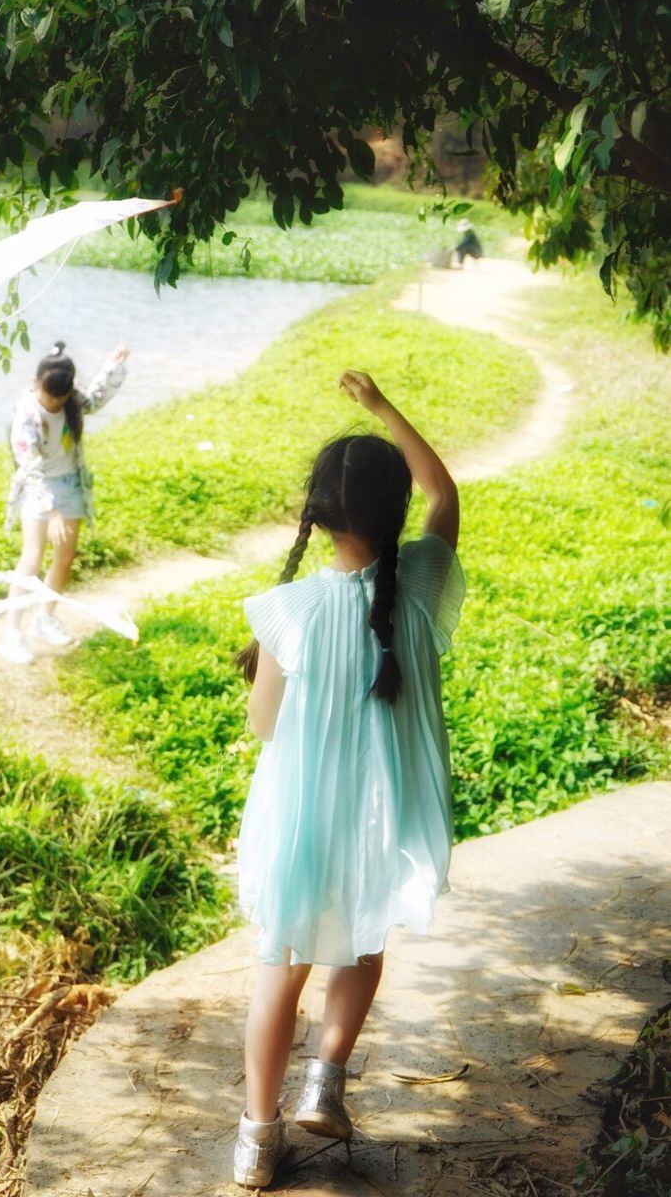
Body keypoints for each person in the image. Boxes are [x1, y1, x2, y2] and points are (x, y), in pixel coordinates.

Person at [231, 370, 465, 1189]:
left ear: (315, 516)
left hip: (298, 817)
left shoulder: (287, 610)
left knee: (278, 966)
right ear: (392, 515)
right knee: (362, 939)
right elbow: (442, 492)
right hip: (379, 813)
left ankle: (255, 1144)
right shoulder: (422, 588)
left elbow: (264, 726)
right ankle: (326, 1079)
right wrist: (379, 408)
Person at [0, 341, 128, 665]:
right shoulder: (27, 414)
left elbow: (95, 398)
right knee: (32, 558)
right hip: (38, 488)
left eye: (59, 397)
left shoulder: (71, 399)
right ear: (36, 384)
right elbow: (28, 469)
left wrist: (113, 365)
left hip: (70, 484)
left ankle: (45, 617)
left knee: (66, 557)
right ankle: (12, 634)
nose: (54, 402)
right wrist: (51, 511)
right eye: (49, 396)